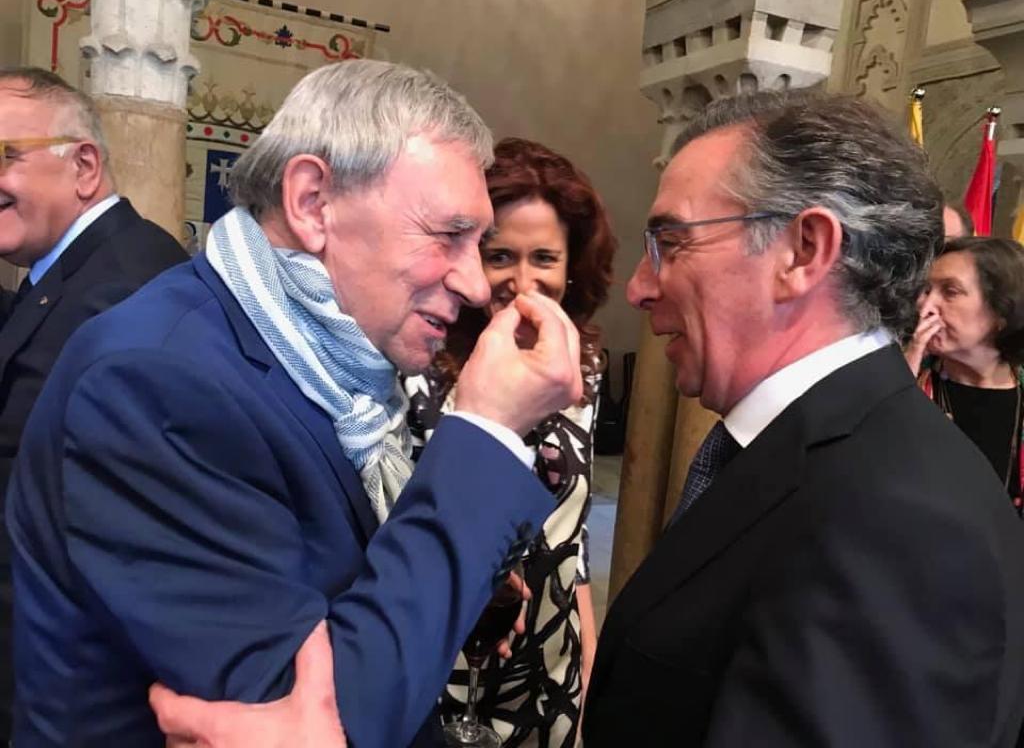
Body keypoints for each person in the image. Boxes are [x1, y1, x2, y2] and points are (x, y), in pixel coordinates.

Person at [6, 59, 584, 747]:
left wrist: (458, 591)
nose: (476, 284)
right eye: (447, 235)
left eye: (476, 244)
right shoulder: (154, 381)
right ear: (312, 202)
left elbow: (329, 583)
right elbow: (326, 721)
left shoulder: (327, 365)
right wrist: (487, 431)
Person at [582, 91, 1024, 746]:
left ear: (803, 250)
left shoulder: (900, 519)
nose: (640, 288)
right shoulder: (810, 450)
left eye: (672, 242)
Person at [404, 137, 615, 747]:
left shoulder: (581, 369)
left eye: (544, 258)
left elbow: (571, 539)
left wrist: (587, 667)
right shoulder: (420, 369)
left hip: (551, 670)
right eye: (500, 256)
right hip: (448, 664)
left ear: (572, 265)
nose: (523, 283)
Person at [0, 66, 186, 740]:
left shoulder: (125, 288)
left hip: (67, 696)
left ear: (83, 167)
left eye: (6, 156)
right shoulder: (74, 270)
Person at [905, 236, 1024, 518]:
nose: (925, 306)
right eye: (926, 290)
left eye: (950, 291)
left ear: (1002, 312)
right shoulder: (907, 379)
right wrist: (899, 383)